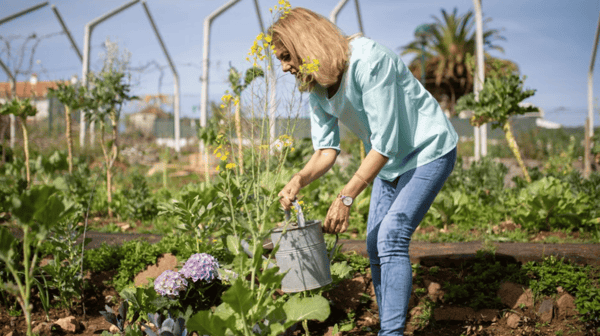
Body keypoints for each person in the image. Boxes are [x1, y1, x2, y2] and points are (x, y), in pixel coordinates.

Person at [273, 7, 458, 336]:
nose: (285, 67)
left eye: (287, 56)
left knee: (392, 236)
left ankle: (391, 333)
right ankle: (390, 327)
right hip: (390, 164)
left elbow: (385, 140)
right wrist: (298, 179)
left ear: (305, 44)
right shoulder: (315, 85)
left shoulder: (369, 60)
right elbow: (326, 149)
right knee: (374, 244)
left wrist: (346, 196)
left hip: (427, 149)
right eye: (281, 60)